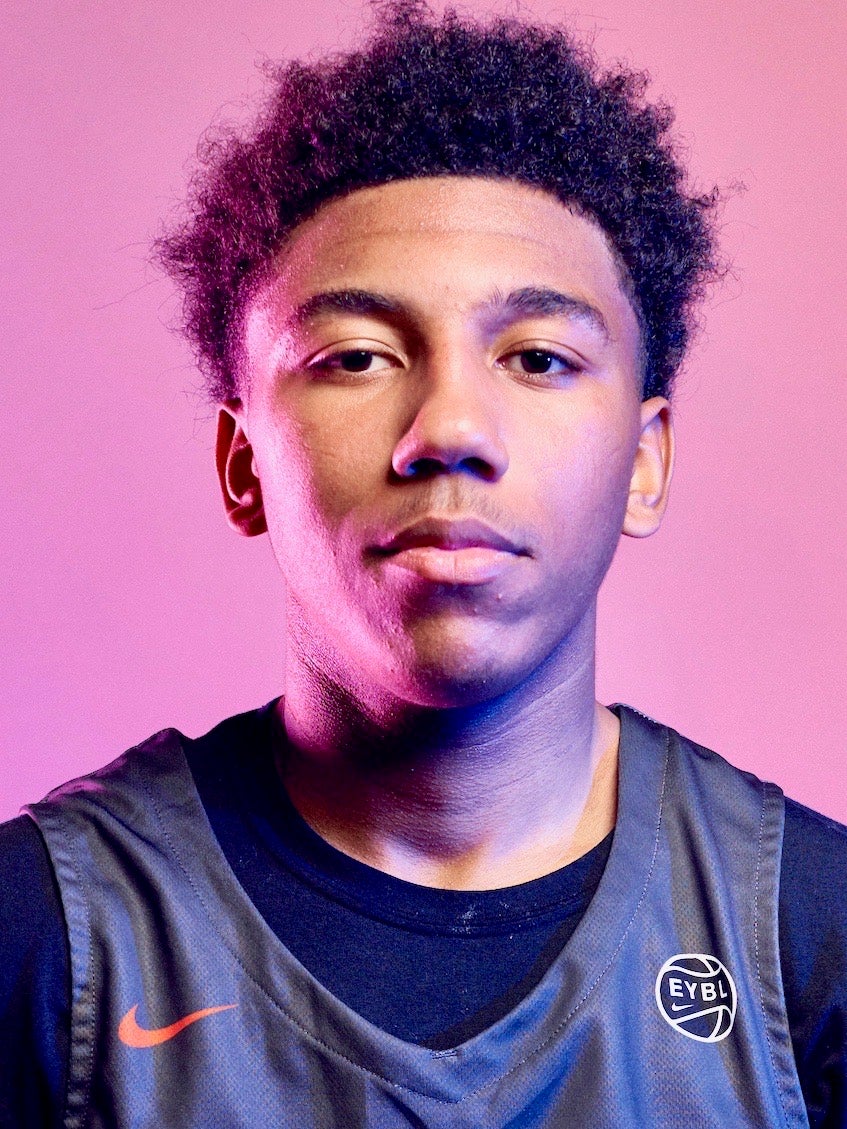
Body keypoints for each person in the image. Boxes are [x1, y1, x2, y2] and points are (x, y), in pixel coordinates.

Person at [1, 2, 845, 1125]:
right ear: (243, 464)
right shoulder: (45, 934)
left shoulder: (809, 937)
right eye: (357, 356)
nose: (448, 428)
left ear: (645, 463)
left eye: (536, 358)